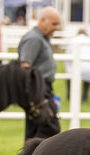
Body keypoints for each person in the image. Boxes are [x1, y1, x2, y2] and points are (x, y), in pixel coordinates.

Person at [17, 6, 61, 141]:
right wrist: (35, 95)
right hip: (38, 90)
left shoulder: (42, 38)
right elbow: (25, 66)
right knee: (50, 129)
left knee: (36, 131)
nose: (56, 28)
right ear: (42, 20)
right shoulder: (34, 39)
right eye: (54, 24)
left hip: (42, 89)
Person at [65, 28, 90, 103]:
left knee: (69, 77)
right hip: (89, 66)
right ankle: (85, 96)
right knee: (87, 79)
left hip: (76, 66)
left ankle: (69, 96)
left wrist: (68, 68)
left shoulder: (73, 40)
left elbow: (68, 55)